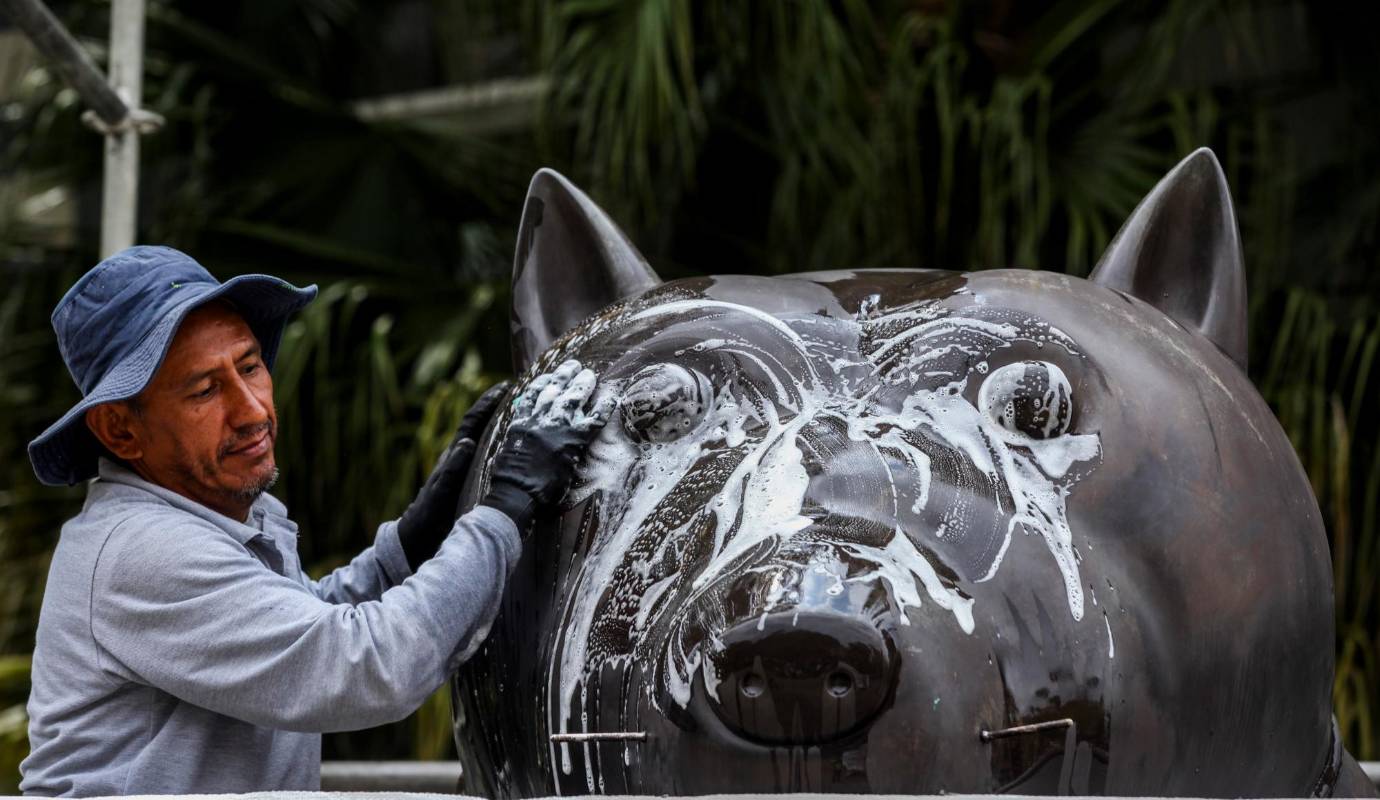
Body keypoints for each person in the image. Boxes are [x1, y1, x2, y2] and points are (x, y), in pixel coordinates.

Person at [18, 246, 612, 796]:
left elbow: (304, 623)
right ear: (121, 430)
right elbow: (364, 669)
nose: (252, 411)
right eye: (204, 390)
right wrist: (505, 504)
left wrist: (409, 544)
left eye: (250, 367)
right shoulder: (143, 551)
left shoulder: (219, 518)